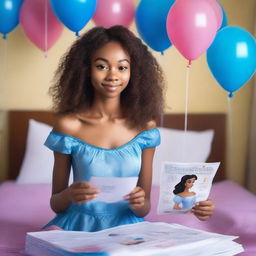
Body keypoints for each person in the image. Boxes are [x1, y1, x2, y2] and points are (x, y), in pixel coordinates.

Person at [43, 25, 214, 232]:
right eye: (101, 66)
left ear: (134, 73)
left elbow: (144, 209)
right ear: (86, 69)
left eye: (122, 67)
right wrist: (69, 195)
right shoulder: (69, 126)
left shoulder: (145, 128)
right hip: (77, 227)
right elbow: (56, 203)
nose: (112, 75)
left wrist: (139, 202)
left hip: (127, 231)